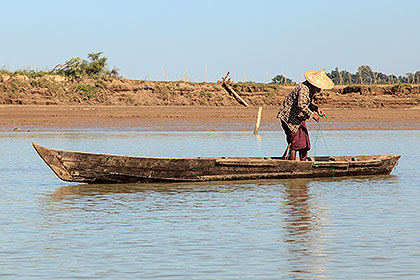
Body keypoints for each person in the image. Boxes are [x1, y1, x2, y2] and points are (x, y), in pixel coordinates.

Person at [277, 70, 334, 161]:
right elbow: (301, 105)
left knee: (304, 142)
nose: (319, 89)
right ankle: (293, 164)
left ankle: (303, 163)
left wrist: (316, 109)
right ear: (313, 84)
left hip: (298, 118)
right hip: (289, 119)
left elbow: (307, 103)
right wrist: (312, 115)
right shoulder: (303, 89)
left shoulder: (310, 90)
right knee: (295, 142)